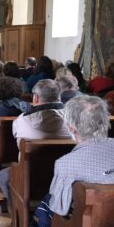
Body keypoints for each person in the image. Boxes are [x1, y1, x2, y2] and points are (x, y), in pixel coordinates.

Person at [32, 95, 114, 226]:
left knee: (47, 204)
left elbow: (59, 209)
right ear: (105, 121)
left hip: (85, 222)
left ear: (71, 128)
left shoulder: (65, 164)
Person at [0, 79, 70, 208]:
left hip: (31, 177)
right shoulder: (73, 120)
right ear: (59, 97)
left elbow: (17, 143)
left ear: (35, 98)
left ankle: (18, 215)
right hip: (64, 177)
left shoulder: (22, 120)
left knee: (3, 176)